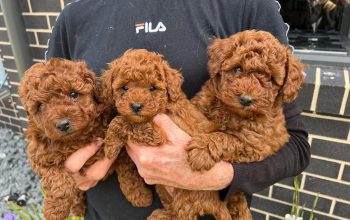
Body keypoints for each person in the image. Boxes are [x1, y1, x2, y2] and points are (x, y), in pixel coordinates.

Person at [46, 0, 311, 219]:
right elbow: (45, 115)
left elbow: (296, 147)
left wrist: (221, 175)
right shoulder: (73, 18)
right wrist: (67, 174)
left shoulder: (246, 6)